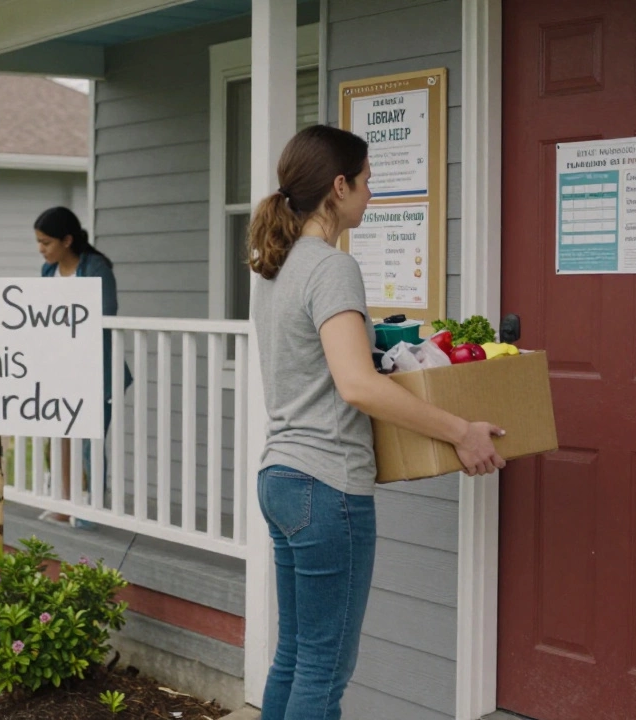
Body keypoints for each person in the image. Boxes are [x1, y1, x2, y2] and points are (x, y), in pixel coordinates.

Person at [248, 125, 505, 720]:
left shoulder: (275, 266)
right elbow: (357, 384)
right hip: (326, 484)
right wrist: (459, 430)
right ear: (339, 187)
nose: (371, 195)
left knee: (294, 657)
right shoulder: (331, 268)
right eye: (366, 183)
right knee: (323, 671)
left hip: (281, 477)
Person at [33, 206, 131, 526]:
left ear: (67, 240)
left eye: (46, 242)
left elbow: (104, 314)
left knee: (90, 438)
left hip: (93, 368)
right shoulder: (48, 273)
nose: (41, 249)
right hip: (59, 366)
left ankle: (91, 511)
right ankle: (65, 502)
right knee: (60, 435)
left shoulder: (96, 267)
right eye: (39, 242)